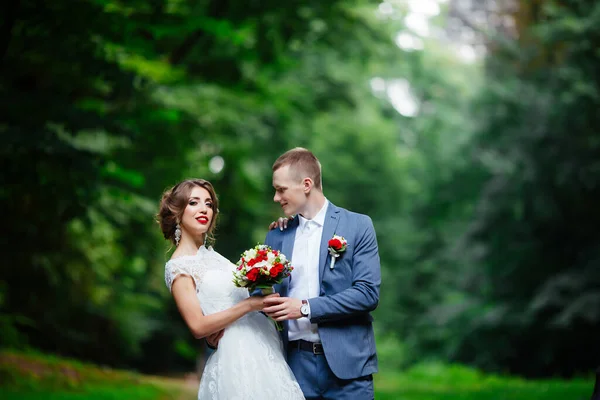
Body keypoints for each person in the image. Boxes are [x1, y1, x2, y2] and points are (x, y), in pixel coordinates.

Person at [158, 178, 305, 400]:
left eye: (209, 204)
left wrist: (281, 233)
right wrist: (248, 306)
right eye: (194, 202)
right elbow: (198, 326)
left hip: (263, 346)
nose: (204, 209)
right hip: (236, 357)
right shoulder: (179, 267)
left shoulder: (213, 256)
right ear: (177, 212)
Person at [263, 147, 381, 399]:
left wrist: (305, 308)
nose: (276, 197)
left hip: (348, 371)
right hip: (293, 367)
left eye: (281, 189)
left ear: (306, 184)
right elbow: (260, 290)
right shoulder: (277, 234)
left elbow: (367, 294)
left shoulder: (358, 226)